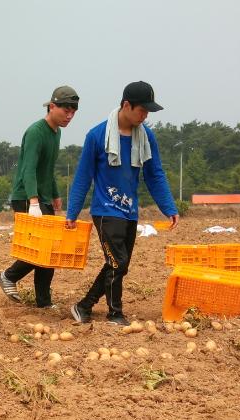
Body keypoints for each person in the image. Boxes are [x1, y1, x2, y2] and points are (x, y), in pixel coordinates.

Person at [66, 81, 179, 325]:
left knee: (119, 264)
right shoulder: (97, 136)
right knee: (118, 262)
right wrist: (72, 212)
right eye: (142, 110)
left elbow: (154, 174)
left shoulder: (146, 136)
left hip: (129, 210)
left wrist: (169, 207)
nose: (145, 116)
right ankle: (115, 313)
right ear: (126, 105)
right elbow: (83, 176)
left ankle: (83, 305)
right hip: (105, 210)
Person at [0, 85, 79, 309]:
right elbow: (29, 169)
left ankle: (43, 301)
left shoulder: (56, 132)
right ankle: (9, 276)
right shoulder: (36, 132)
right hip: (26, 196)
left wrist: (54, 194)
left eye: (73, 112)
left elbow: (47, 168)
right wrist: (33, 201)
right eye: (65, 111)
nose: (69, 116)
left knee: (50, 250)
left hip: (42, 196)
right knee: (39, 248)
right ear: (52, 106)